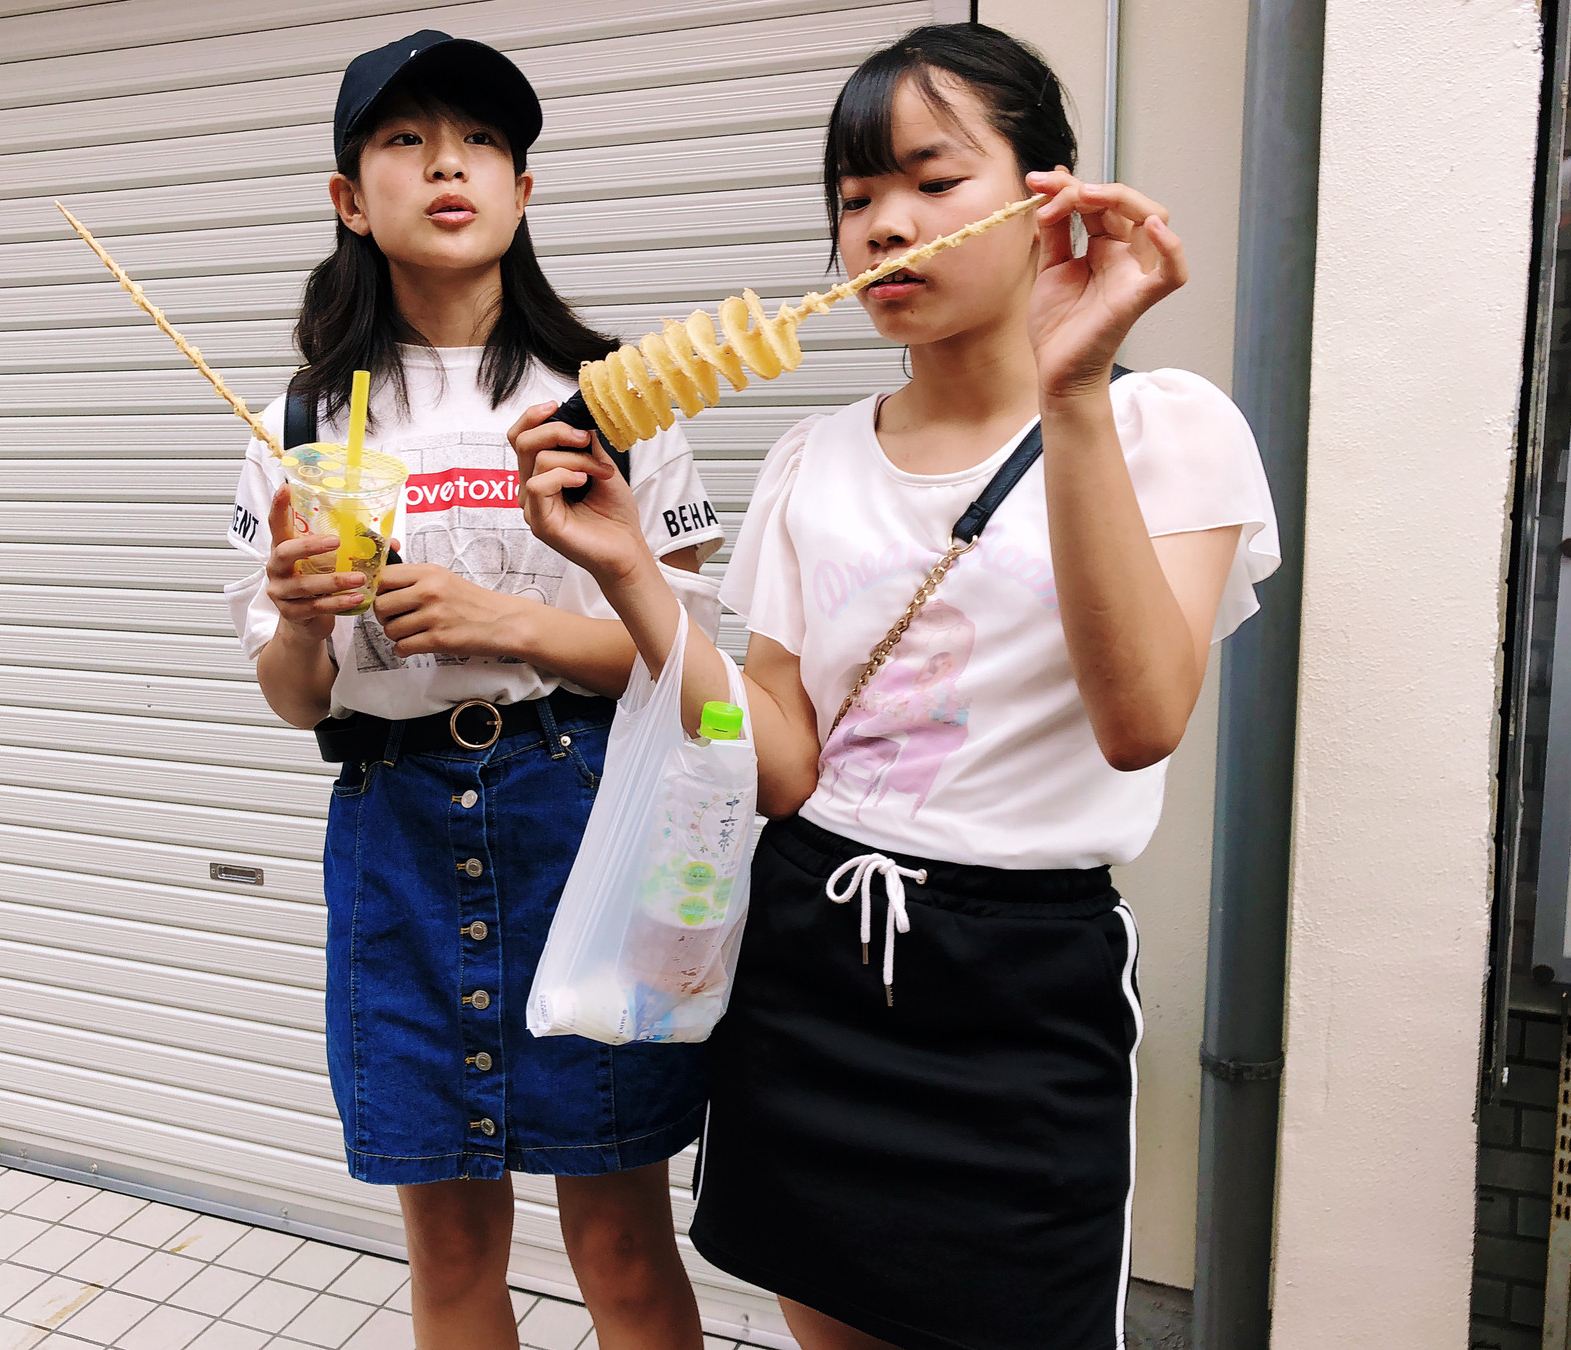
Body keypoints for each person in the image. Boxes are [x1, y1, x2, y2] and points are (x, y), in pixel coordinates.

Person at [511, 22, 1278, 1350]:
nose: (883, 225)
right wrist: (634, 575)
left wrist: (1073, 388)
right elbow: (776, 756)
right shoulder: (812, 461)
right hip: (809, 963)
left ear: (1046, 195)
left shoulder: (1170, 426)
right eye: (855, 195)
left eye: (934, 180)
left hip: (1019, 985)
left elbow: (1143, 720)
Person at [223, 32, 721, 1350]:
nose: (449, 165)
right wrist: (305, 623)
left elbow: (694, 666)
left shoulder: (614, 402)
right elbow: (293, 695)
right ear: (350, 199)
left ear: (522, 190)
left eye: (482, 143)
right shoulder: (299, 425)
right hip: (393, 827)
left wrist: (514, 624)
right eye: (407, 141)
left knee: (620, 1236)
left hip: (585, 817)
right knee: (448, 1245)